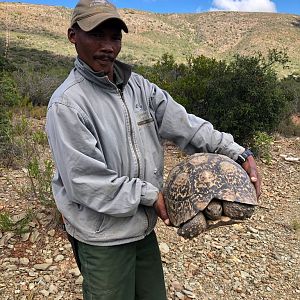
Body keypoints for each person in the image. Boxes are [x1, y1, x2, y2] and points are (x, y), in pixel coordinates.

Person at [46, 0, 261, 299]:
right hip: (102, 236)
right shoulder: (67, 104)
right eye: (97, 35)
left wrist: (238, 153)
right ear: (73, 36)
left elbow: (185, 125)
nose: (108, 46)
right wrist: (151, 196)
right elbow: (85, 182)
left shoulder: (139, 88)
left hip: (142, 229)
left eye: (115, 37)